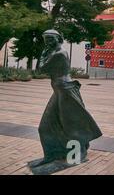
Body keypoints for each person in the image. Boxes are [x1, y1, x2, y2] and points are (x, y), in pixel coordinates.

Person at [29, 30, 102, 168]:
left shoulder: (59, 54)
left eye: (50, 39)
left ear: (59, 39)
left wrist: (43, 53)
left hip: (65, 91)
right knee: (44, 127)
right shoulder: (54, 53)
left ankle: (79, 152)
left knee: (72, 125)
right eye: (45, 40)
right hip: (59, 91)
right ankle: (51, 155)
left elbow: (40, 69)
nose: (47, 42)